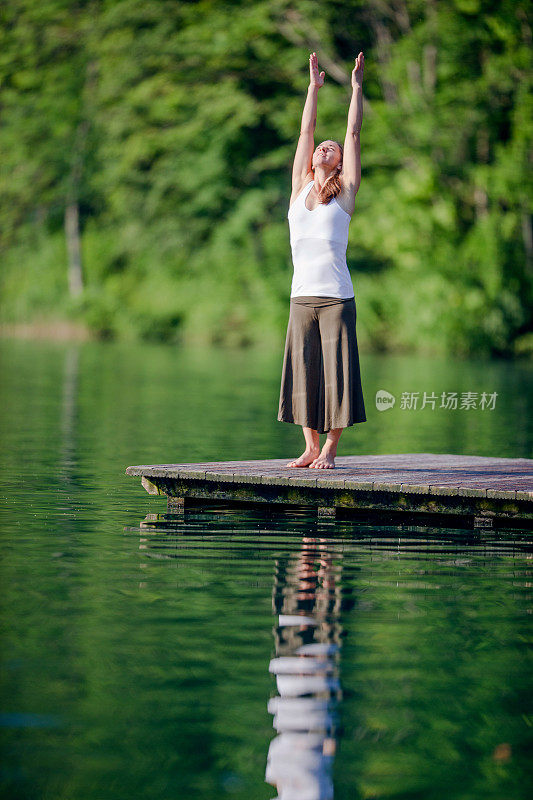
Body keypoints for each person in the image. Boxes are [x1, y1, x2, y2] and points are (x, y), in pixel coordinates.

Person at [278, 51, 367, 470]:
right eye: (321, 148)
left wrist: (355, 88)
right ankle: (310, 447)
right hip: (301, 297)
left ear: (339, 162)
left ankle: (330, 450)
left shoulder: (345, 191)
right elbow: (305, 130)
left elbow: (352, 132)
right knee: (304, 372)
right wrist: (313, 87)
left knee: (338, 375)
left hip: (336, 298)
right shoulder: (299, 187)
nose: (324, 148)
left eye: (331, 149)